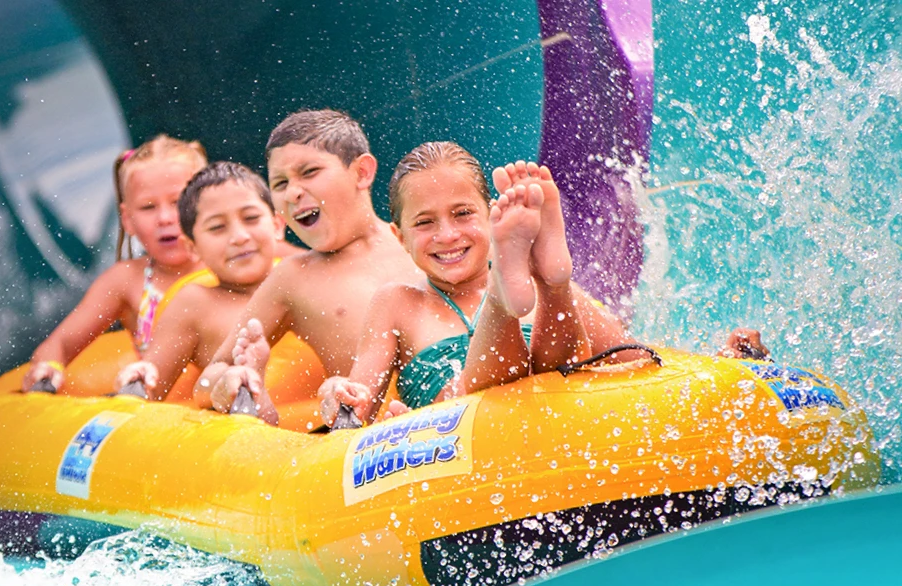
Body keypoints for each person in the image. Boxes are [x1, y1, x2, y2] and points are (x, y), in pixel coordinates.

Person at [317, 142, 638, 424]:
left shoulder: (535, 288)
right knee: (468, 390)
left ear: (489, 215)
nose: (447, 235)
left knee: (561, 360)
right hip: (457, 434)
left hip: (553, 408)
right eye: (425, 222)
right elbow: (358, 409)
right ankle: (502, 296)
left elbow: (638, 361)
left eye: (462, 214)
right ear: (399, 238)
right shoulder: (396, 303)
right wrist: (337, 393)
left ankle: (554, 285)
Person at [192, 109, 421, 424]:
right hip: (370, 445)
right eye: (281, 183)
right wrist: (224, 385)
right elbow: (211, 373)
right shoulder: (294, 277)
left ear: (362, 172)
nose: (293, 192)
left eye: (310, 171)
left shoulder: (419, 241)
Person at [22, 135, 207, 392]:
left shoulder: (236, 263)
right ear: (127, 219)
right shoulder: (126, 282)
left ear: (208, 204)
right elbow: (60, 344)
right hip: (165, 419)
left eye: (178, 202)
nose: (165, 217)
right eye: (148, 207)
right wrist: (48, 368)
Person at [112, 161, 283, 400]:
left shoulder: (302, 277)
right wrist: (139, 379)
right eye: (217, 228)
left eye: (251, 218)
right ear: (192, 249)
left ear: (277, 226)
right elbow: (149, 391)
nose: (240, 237)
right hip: (248, 431)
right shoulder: (195, 304)